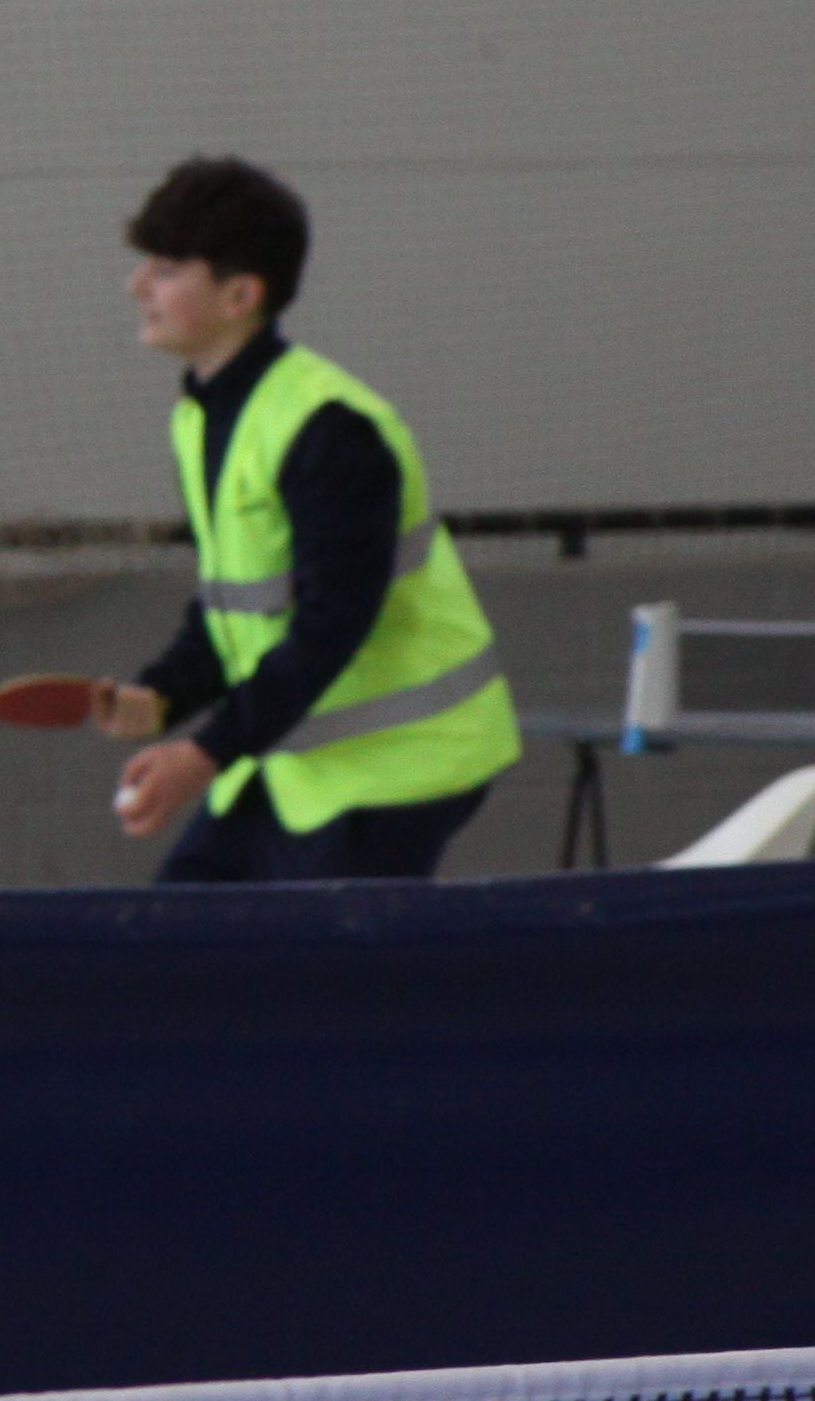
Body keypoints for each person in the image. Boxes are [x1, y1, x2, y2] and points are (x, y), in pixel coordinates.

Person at [97, 155, 518, 881]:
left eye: (165, 269)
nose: (138, 287)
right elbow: (233, 601)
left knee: (322, 982)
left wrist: (200, 754)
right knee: (180, 936)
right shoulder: (201, 417)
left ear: (239, 295)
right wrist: (164, 693)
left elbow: (332, 623)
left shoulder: (331, 431)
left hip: (401, 766)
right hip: (297, 762)